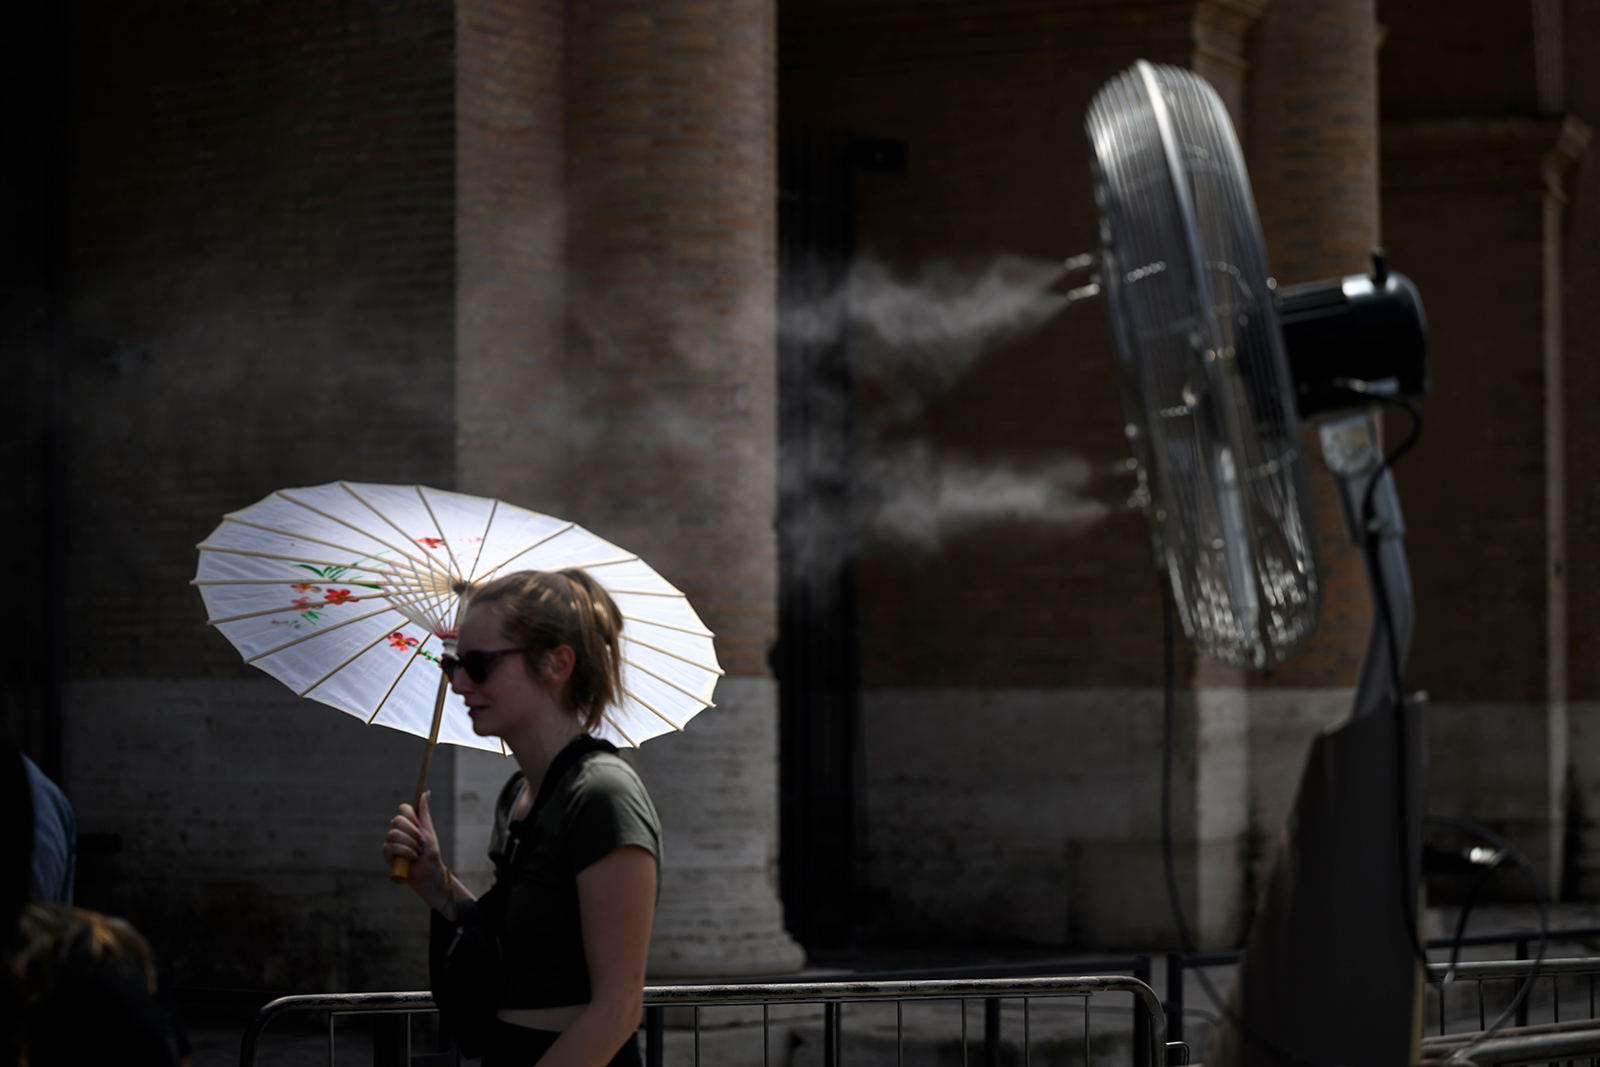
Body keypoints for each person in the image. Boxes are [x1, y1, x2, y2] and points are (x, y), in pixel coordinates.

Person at [383, 569, 661, 1067]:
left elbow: (618, 1010)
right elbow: (516, 949)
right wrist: (433, 880)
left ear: (557, 663)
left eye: (479, 664)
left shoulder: (602, 795)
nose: (460, 683)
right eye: (453, 665)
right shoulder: (519, 794)